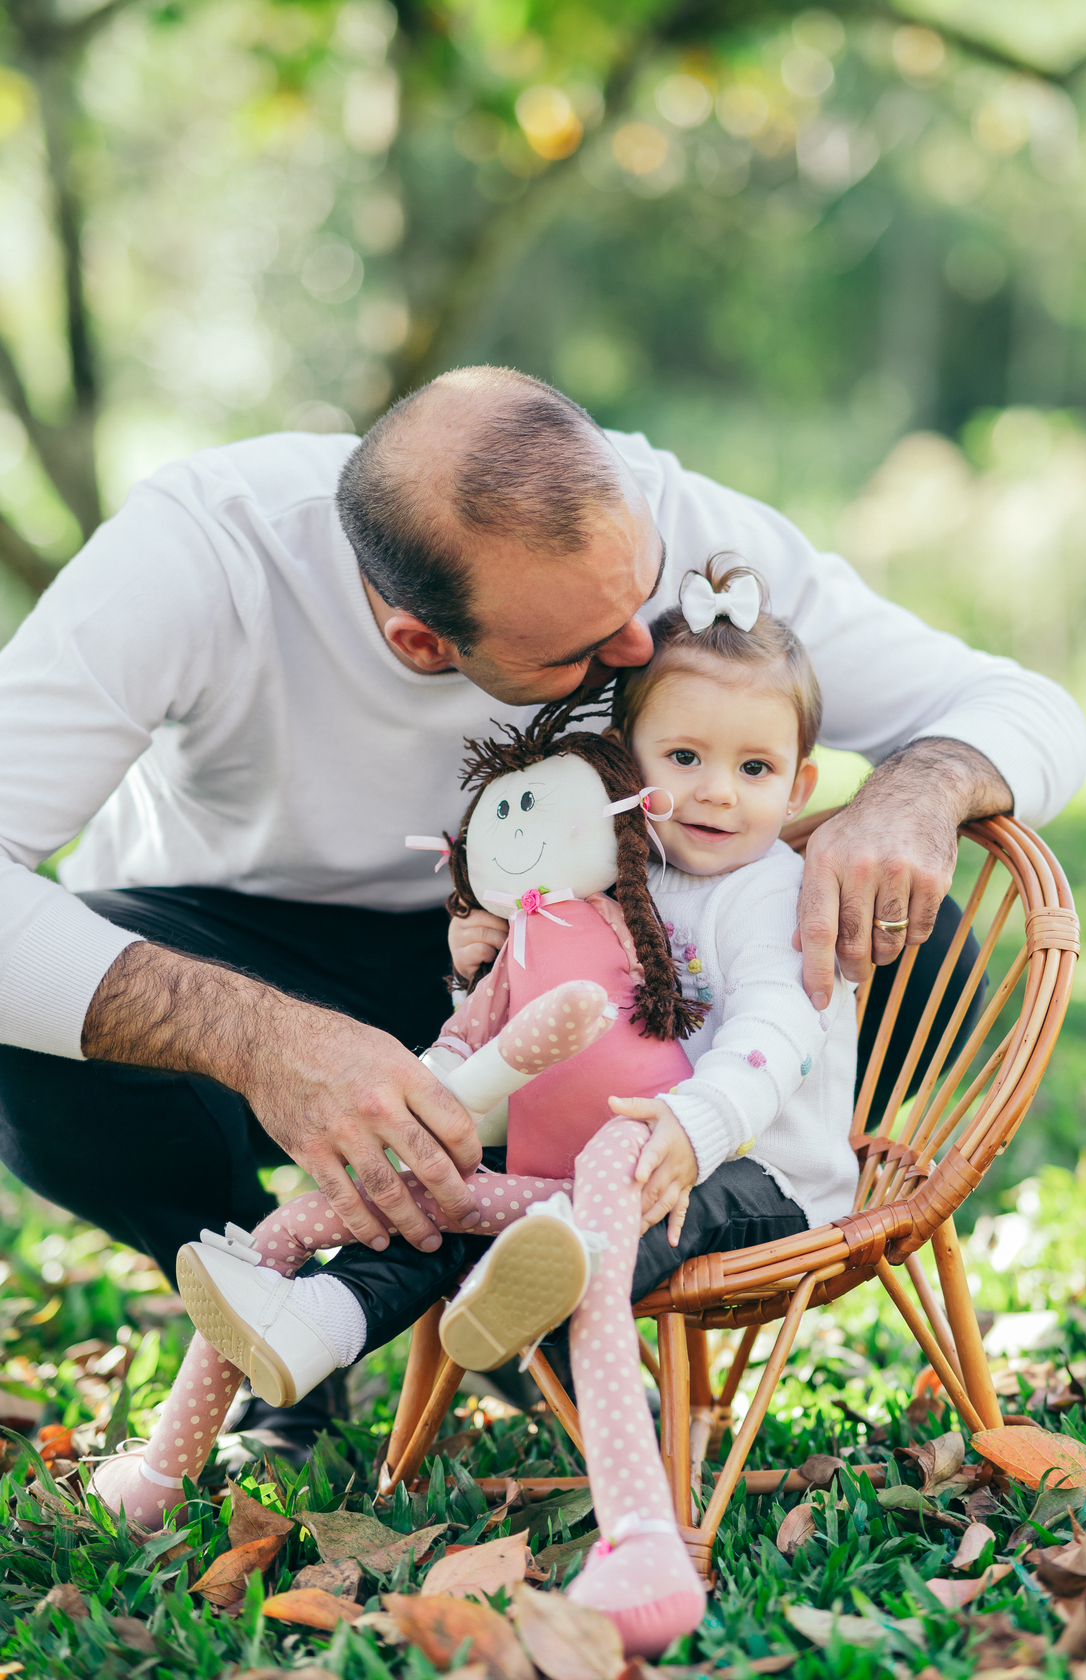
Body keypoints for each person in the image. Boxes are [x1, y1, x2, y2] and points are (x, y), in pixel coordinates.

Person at [0, 366, 1086, 1456]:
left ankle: (585, 1264)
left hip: (596, 956)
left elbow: (1020, 703)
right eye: (582, 649)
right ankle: (269, 1322)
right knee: (41, 1049)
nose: (636, 650)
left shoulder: (670, 530)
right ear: (423, 643)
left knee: (914, 933)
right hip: (246, 940)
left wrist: (917, 790)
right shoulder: (201, 553)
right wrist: (265, 1041)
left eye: (640, 599)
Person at [106, 566, 853, 1655]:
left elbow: (775, 1032)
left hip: (751, 1174)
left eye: (754, 768)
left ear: (800, 782)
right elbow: (537, 1037)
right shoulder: (600, 873)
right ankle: (313, 1324)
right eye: (681, 759)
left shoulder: (764, 889)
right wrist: (479, 974)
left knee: (609, 1170)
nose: (714, 793)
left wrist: (693, 1124)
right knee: (434, 1187)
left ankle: (560, 1380)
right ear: (621, 768)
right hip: (572, 1175)